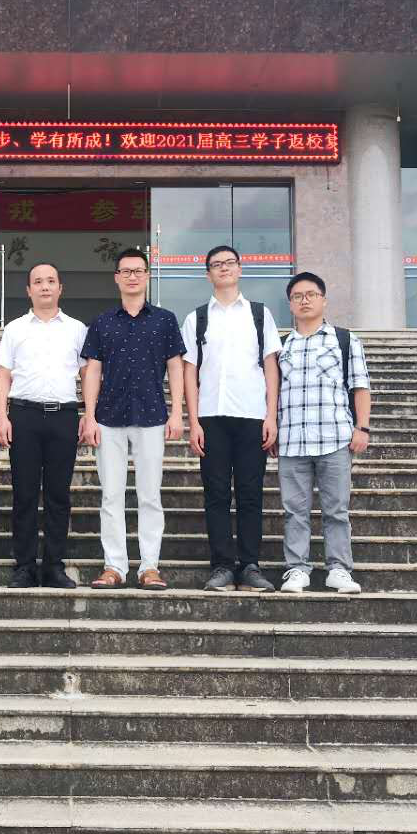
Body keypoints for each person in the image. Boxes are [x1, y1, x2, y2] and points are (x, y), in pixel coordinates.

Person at [80, 247, 186, 590]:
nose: (132, 276)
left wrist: (177, 412)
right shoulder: (102, 321)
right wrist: (89, 416)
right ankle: (114, 566)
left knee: (149, 495)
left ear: (147, 275)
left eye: (138, 270)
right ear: (117, 278)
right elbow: (93, 370)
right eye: (125, 271)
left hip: (152, 416)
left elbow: (175, 366)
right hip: (108, 418)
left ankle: (149, 567)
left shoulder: (165, 320)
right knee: (111, 496)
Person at [183, 244, 282, 593]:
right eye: (216, 264)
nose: (224, 268)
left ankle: (250, 565)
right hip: (211, 417)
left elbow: (270, 366)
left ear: (240, 269)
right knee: (216, 494)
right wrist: (194, 421)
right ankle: (223, 566)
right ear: (208, 274)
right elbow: (189, 371)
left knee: (251, 493)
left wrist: (271, 415)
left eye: (229, 263)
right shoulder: (196, 318)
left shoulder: (259, 314)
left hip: (252, 416)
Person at [0, 262, 88, 590]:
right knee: (24, 494)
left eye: (50, 281)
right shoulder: (15, 329)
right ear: (28, 290)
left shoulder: (77, 329)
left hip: (64, 417)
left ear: (60, 288)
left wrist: (89, 414)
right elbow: (2, 374)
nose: (45, 286)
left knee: (58, 495)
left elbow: (88, 373)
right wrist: (2, 417)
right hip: (25, 416)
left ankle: (53, 567)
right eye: (38, 281)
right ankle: (24, 567)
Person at [277, 271, 371, 595]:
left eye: (311, 295)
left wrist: (362, 427)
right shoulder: (281, 346)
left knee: (336, 511)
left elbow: (360, 386)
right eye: (297, 296)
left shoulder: (344, 340)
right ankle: (297, 569)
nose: (304, 300)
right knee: (294, 512)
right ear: (290, 304)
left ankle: (339, 570)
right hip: (292, 441)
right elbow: (272, 392)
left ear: (323, 300)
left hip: (334, 439)